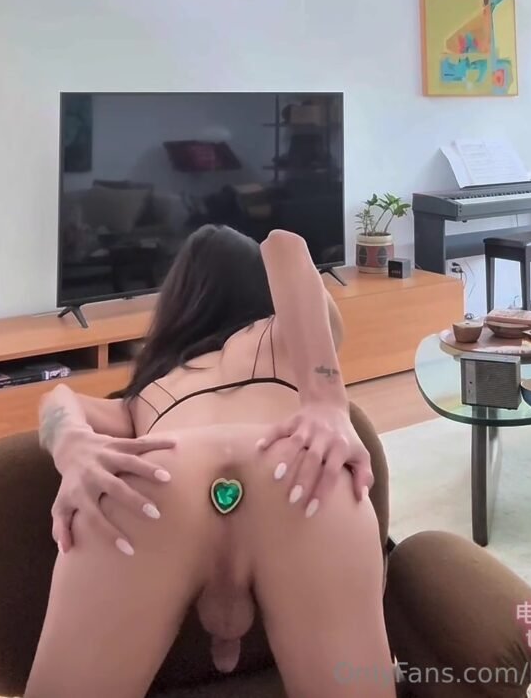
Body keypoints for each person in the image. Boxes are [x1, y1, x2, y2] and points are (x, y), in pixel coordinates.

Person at [27, 227, 395, 698]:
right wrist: (326, 400)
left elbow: (57, 398)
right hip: (295, 470)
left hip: (159, 476)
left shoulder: (146, 393)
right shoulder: (283, 334)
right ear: (261, 290)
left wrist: (72, 445)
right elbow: (286, 246)